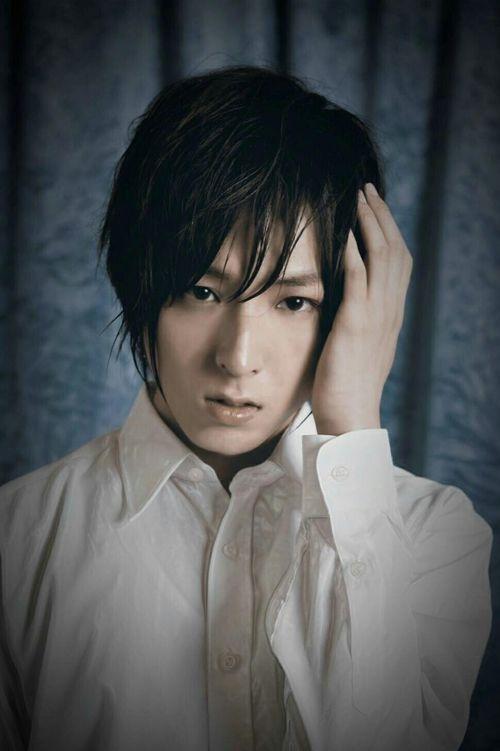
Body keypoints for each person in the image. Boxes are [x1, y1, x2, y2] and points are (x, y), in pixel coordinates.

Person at [0, 65, 492, 751]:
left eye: (294, 301)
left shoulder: (434, 536)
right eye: (202, 291)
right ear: (143, 287)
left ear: (352, 310)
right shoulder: (19, 540)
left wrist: (352, 417)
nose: (237, 356)